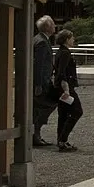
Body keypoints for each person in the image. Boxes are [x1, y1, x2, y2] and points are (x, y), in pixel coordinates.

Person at [53, 27, 83, 151]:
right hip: (65, 86)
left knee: (63, 114)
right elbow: (62, 72)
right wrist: (66, 89)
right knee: (77, 111)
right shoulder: (65, 53)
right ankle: (63, 139)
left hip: (60, 86)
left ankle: (61, 140)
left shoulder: (60, 51)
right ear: (66, 39)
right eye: (71, 38)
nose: (73, 40)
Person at [31, 13, 57, 147]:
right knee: (47, 104)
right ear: (47, 27)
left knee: (38, 107)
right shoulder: (41, 42)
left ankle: (35, 134)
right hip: (41, 82)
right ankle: (35, 133)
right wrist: (38, 84)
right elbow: (39, 64)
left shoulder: (39, 39)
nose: (55, 26)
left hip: (42, 80)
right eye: (52, 24)